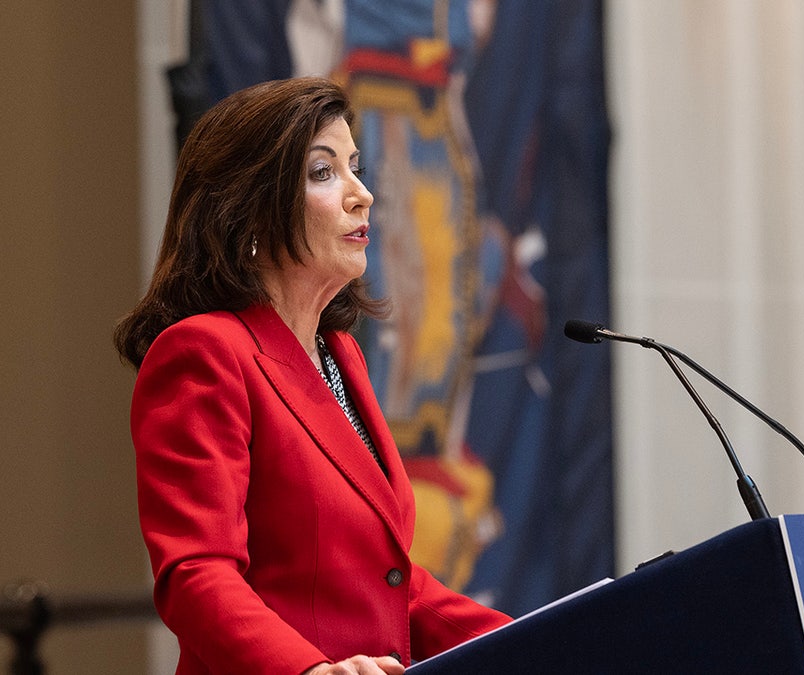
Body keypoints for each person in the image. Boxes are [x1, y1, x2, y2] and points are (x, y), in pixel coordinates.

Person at [114, 77, 512, 675]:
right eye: (324, 172)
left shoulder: (339, 355)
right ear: (248, 209)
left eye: (355, 166)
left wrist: (551, 638)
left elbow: (392, 582)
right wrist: (306, 670)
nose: (363, 195)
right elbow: (197, 575)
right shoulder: (204, 354)